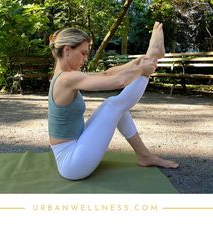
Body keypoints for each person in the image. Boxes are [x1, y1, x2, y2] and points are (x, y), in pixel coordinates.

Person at [48, 22, 178, 180]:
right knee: (113, 105)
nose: (85, 58)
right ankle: (153, 55)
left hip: (74, 150)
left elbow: (106, 74)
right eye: (83, 53)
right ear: (67, 50)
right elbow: (118, 82)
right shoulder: (67, 78)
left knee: (113, 106)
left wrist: (137, 62)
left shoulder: (65, 76)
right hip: (71, 163)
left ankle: (144, 156)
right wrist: (143, 69)